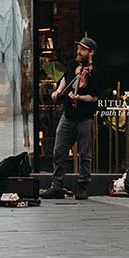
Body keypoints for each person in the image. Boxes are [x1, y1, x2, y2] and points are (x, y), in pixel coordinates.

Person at [41, 36, 101, 200]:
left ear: (91, 52)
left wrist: (80, 98)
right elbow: (65, 79)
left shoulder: (94, 72)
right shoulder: (73, 65)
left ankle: (83, 187)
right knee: (58, 151)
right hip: (68, 116)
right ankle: (57, 186)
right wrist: (59, 91)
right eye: (79, 48)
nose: (79, 51)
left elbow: (94, 97)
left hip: (85, 117)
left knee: (85, 154)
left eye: (82, 49)